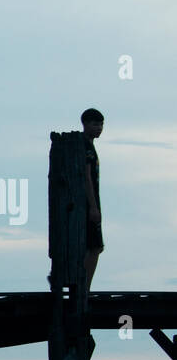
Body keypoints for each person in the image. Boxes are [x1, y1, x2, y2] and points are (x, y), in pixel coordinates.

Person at [82, 108, 105, 288]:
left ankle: (83, 286)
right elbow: (86, 176)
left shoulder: (89, 145)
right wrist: (93, 206)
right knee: (94, 247)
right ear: (86, 124)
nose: (100, 128)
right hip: (88, 204)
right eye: (95, 124)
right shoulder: (85, 147)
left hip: (90, 203)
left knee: (92, 246)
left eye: (101, 124)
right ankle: (84, 287)